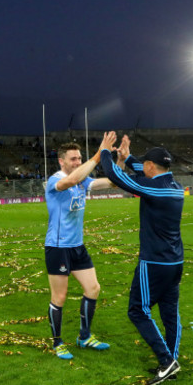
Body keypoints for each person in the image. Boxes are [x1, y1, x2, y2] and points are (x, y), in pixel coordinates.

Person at [99, 132, 184, 385]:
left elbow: (117, 176)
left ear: (151, 166)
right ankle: (171, 361)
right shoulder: (175, 187)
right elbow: (139, 169)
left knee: (137, 310)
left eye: (144, 164)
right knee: (170, 313)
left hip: (154, 262)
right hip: (174, 262)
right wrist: (127, 156)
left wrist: (106, 151)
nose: (142, 166)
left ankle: (166, 361)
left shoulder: (154, 188)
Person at [44, 136, 121, 360]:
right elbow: (71, 180)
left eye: (79, 158)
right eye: (73, 159)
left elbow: (109, 183)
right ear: (62, 161)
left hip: (77, 246)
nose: (78, 162)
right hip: (58, 247)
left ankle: (84, 337)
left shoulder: (82, 179)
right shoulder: (55, 180)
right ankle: (57, 343)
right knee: (60, 296)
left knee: (93, 288)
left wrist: (120, 162)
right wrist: (98, 156)